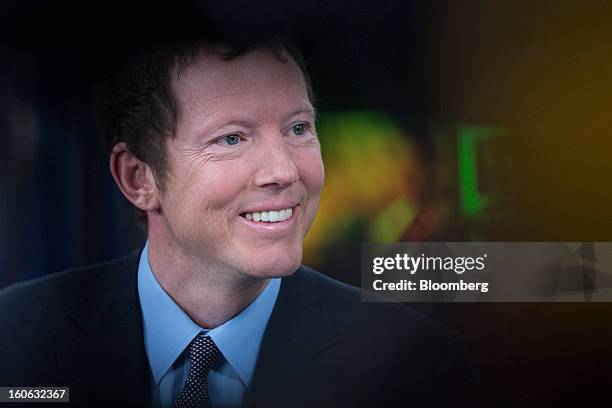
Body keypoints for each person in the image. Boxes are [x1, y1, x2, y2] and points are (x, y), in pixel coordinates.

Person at [0, 33, 473, 407]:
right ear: (138, 178)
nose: (285, 171)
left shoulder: (420, 367)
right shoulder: (14, 339)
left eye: (298, 129)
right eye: (231, 139)